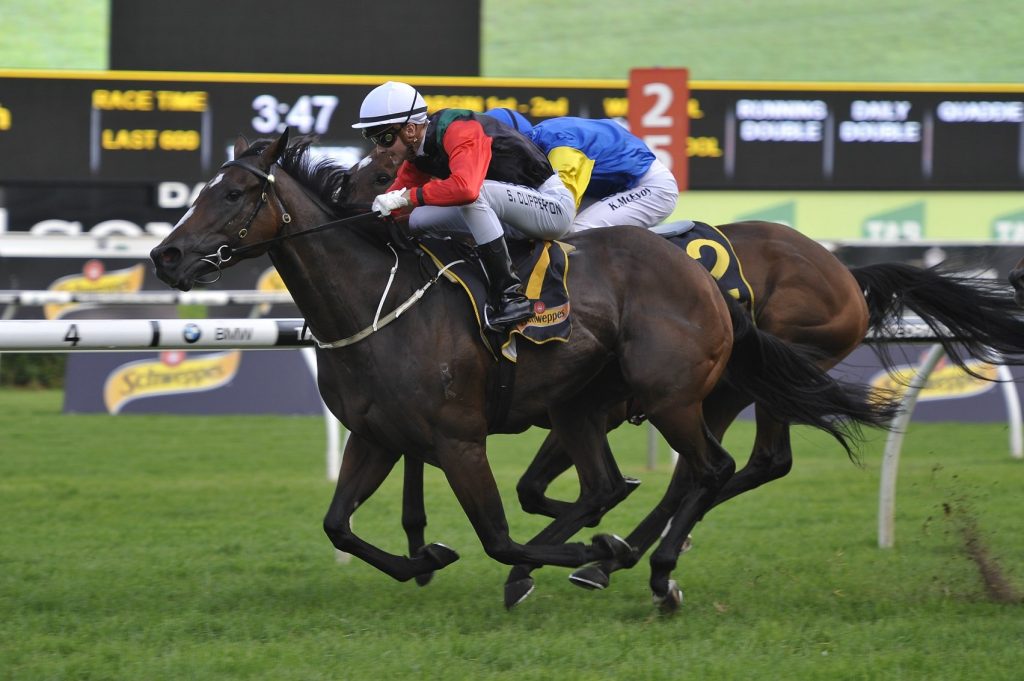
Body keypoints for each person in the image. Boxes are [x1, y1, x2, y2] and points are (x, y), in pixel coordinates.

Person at [354, 81, 575, 329]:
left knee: (475, 196)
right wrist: (365, 218)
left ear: (410, 130)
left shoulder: (459, 129)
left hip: (552, 209)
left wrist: (408, 198)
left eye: (384, 138)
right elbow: (395, 201)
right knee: (416, 219)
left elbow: (466, 189)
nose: (379, 149)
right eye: (374, 139)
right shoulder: (418, 154)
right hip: (507, 217)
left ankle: (511, 296)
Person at [485, 108, 679, 231]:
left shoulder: (561, 150)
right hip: (613, 187)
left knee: (575, 232)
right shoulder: (537, 141)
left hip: (649, 187)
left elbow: (560, 213)